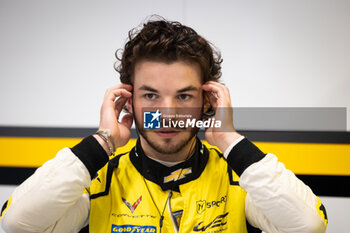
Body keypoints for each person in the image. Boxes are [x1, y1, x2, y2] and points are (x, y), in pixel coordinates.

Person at [0, 18, 327, 233]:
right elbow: (17, 224)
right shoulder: (98, 181)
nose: (167, 112)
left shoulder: (242, 180)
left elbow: (308, 225)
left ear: (207, 100)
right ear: (129, 101)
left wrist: (229, 140)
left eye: (184, 96)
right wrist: (102, 142)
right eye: (151, 95)